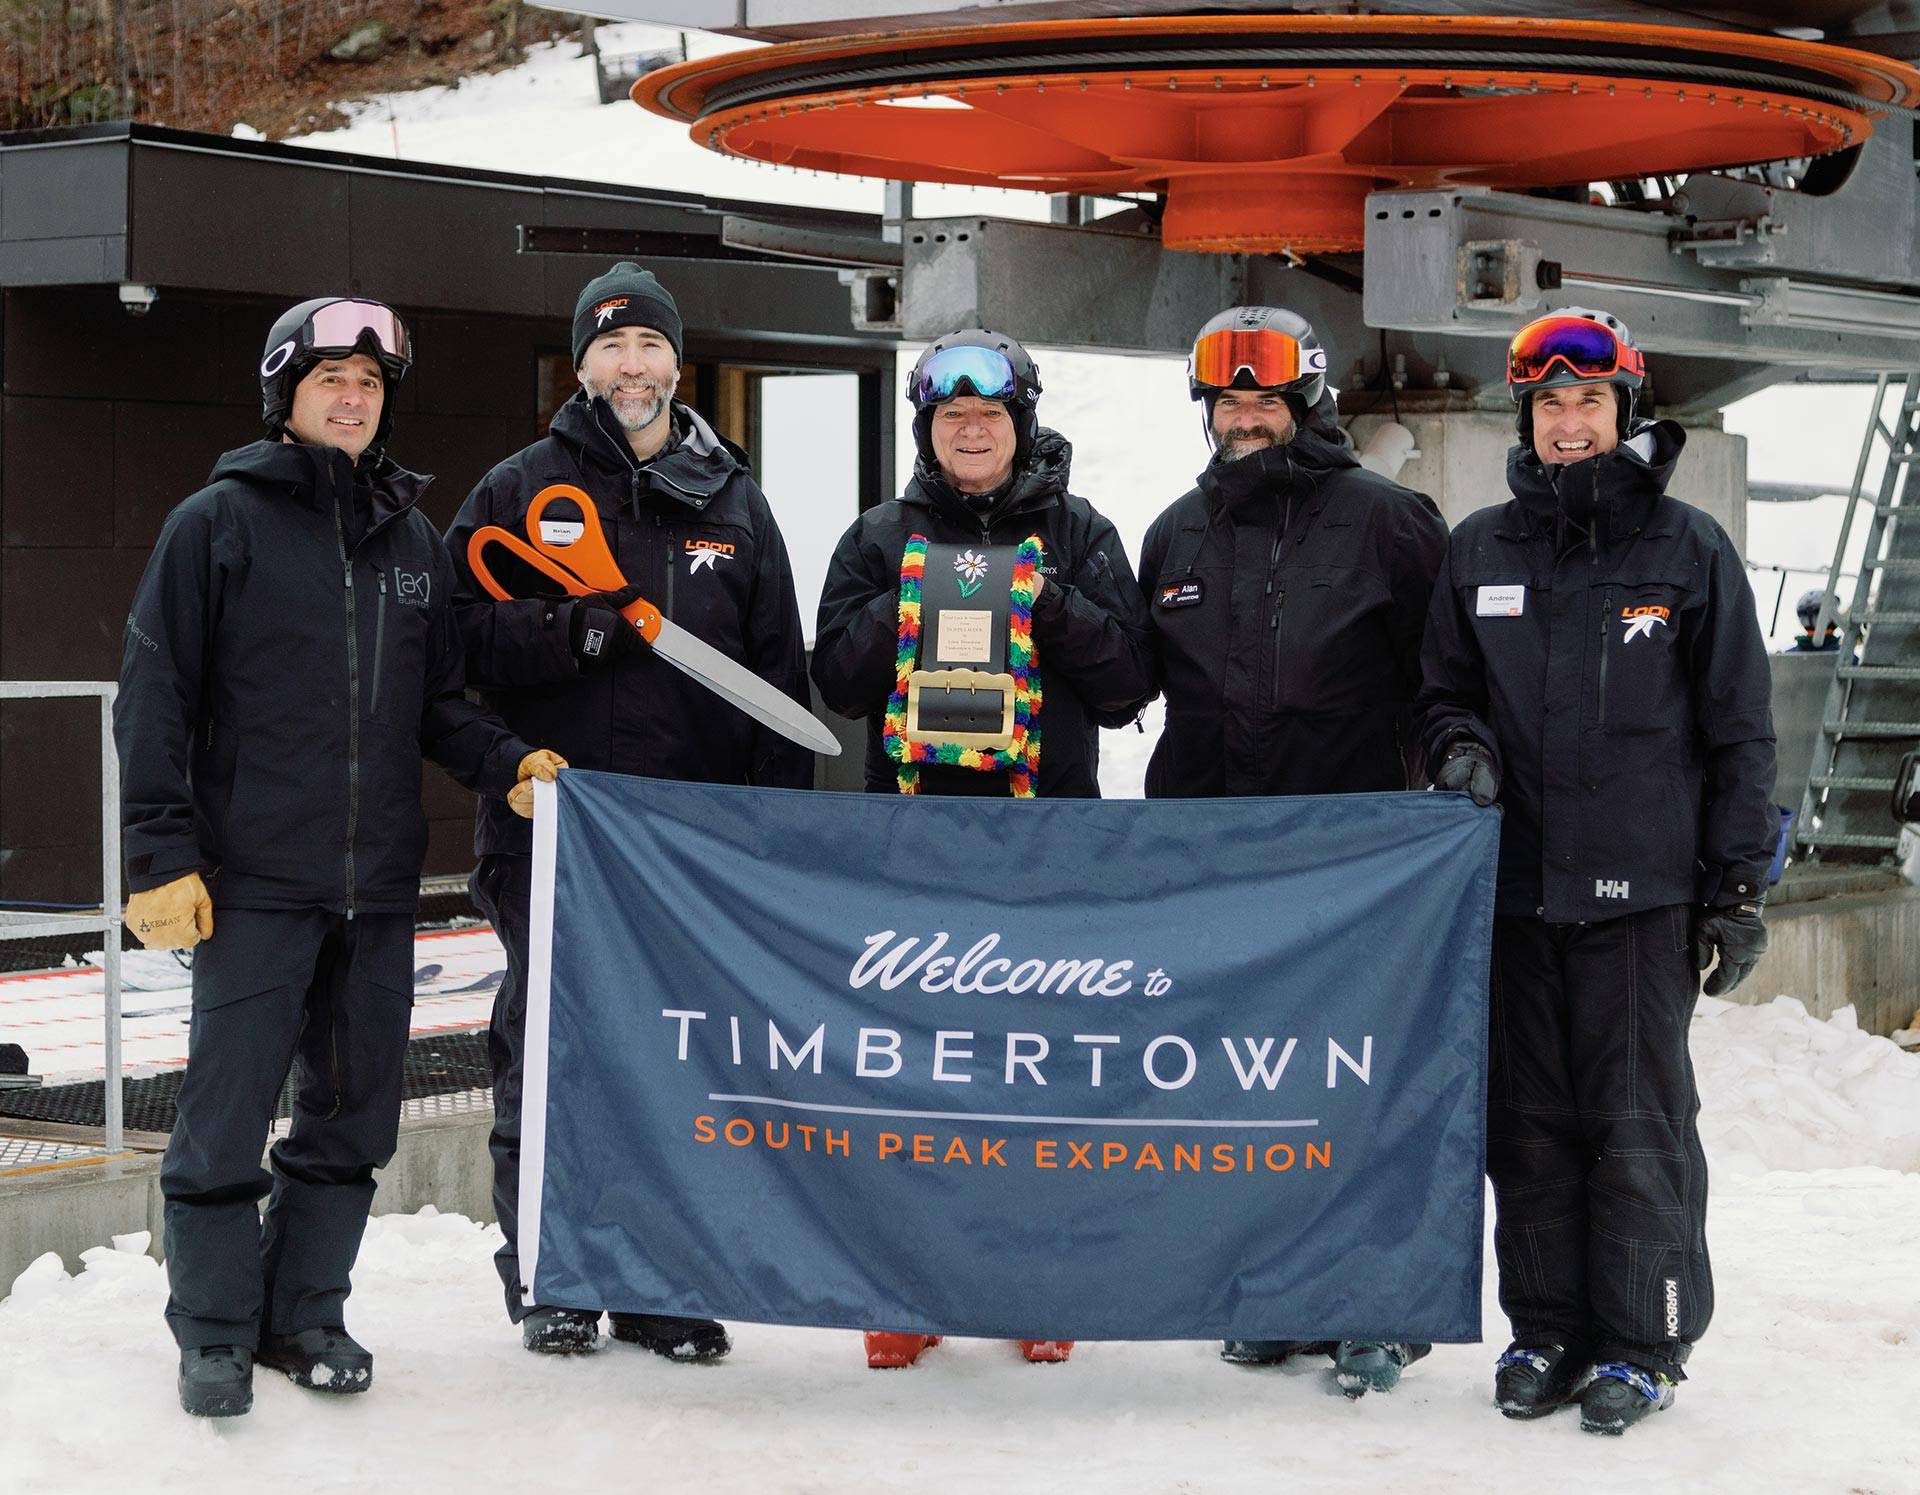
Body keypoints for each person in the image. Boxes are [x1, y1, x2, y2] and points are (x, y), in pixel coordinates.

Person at [116, 298, 563, 1419]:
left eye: (369, 380)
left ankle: (305, 1311)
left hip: (376, 892)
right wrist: (159, 856)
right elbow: (154, 699)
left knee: (354, 1118)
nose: (353, 396)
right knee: (224, 1120)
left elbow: (435, 705)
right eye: (331, 378)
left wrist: (509, 762)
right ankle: (215, 1332)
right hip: (252, 884)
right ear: (287, 393)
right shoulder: (216, 524)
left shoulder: (411, 541)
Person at [1417, 306, 1777, 1435]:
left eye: (1589, 400)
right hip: (1515, 893)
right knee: (1526, 1124)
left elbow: (1740, 731)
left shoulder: (1685, 549)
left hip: (1642, 896)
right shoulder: (1479, 549)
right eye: (1549, 403)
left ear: (1626, 409)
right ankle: (1548, 1327)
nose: (1569, 421)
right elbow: (1438, 696)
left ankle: (1643, 1338)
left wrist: (1735, 886)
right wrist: (1457, 749)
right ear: (1526, 416)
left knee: (1634, 1119)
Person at [445, 261, 813, 1360]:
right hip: (550, 830)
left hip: (688, 852)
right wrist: (572, 634)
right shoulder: (518, 488)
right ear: (583, 363)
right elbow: (454, 648)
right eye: (610, 347)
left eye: (647, 345)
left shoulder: (735, 504)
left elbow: (778, 686)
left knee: (681, 1062)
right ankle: (556, 1272)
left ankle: (661, 1279)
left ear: (676, 361)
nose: (631, 365)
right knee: (549, 1052)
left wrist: (769, 850)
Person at [812, 325, 1154, 1366]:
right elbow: (836, 680)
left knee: (1035, 1073)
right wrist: (913, 596)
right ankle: (904, 1287)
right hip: (914, 840)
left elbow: (1130, 684)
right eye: (953, 415)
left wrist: (1045, 599)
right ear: (928, 427)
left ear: (1022, 424)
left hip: (1045, 842)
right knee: (912, 1074)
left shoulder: (1082, 529)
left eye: (990, 414)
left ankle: (1036, 1279)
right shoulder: (878, 532)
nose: (972, 429)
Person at [1136, 305, 1448, 1397]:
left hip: (1354, 863)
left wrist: (1455, 784)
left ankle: (1378, 1304)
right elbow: (1134, 682)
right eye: (1228, 400)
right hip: (1215, 860)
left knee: (1357, 1084)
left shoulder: (1390, 521)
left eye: (1265, 398)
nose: (1245, 417)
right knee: (1244, 1088)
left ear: (1305, 402)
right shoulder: (1175, 530)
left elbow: (1447, 685)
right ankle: (1270, 1286)